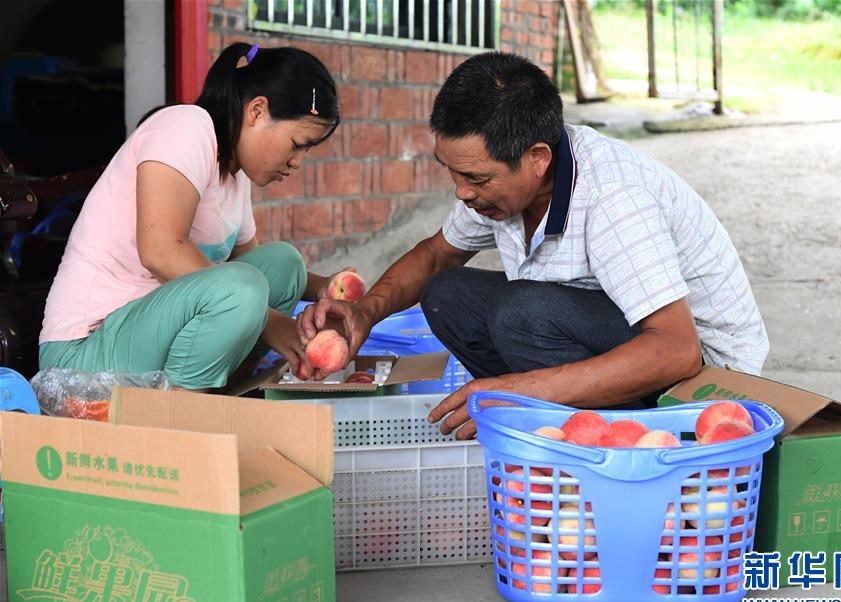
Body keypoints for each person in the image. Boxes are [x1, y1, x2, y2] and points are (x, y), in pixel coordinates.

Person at [299, 51, 769, 438]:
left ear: (538, 158)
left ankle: (628, 437)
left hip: (705, 373)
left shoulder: (613, 198)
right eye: (453, 172)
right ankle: (550, 425)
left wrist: (526, 387)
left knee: (522, 313)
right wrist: (366, 311)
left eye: (475, 177)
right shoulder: (497, 191)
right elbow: (436, 254)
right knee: (446, 294)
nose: (462, 192)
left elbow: (676, 350)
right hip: (623, 331)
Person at [39, 42, 346, 390]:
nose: (297, 162)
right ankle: (184, 414)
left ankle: (215, 389)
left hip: (144, 338)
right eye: (297, 144)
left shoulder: (233, 173)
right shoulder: (186, 127)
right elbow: (160, 251)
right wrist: (269, 321)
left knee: (283, 263)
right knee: (244, 291)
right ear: (257, 111)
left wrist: (325, 289)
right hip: (83, 356)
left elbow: (256, 268)